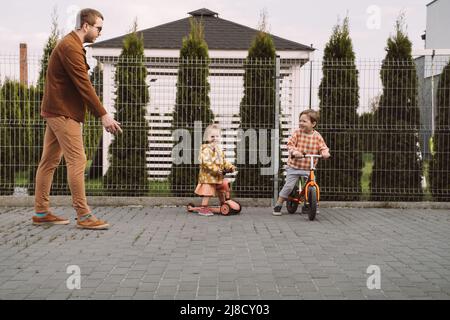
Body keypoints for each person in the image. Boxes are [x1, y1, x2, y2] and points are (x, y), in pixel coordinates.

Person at [33, 8, 122, 229]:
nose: (100, 32)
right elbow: (84, 85)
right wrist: (103, 115)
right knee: (78, 160)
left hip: (58, 110)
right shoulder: (70, 47)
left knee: (49, 161)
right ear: (86, 26)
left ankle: (41, 212)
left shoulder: (72, 45)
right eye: (98, 28)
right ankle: (83, 216)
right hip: (63, 113)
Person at [273, 109, 330, 216]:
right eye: (300, 121)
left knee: (310, 185)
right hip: (294, 166)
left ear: (313, 124)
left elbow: (323, 147)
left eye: (304, 121)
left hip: (309, 167)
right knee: (289, 186)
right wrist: (294, 151)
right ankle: (279, 204)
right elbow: (290, 144)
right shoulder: (297, 133)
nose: (301, 123)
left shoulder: (317, 136)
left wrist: (325, 153)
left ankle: (311, 205)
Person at [194, 124, 236, 216]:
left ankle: (223, 204)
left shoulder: (219, 150)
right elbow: (206, 162)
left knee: (222, 189)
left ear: (220, 137)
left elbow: (223, 161)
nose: (215, 138)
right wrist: (216, 170)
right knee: (208, 192)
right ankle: (203, 208)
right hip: (208, 177)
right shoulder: (205, 149)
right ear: (207, 137)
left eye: (217, 136)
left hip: (217, 176)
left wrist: (230, 167)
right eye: (212, 136)